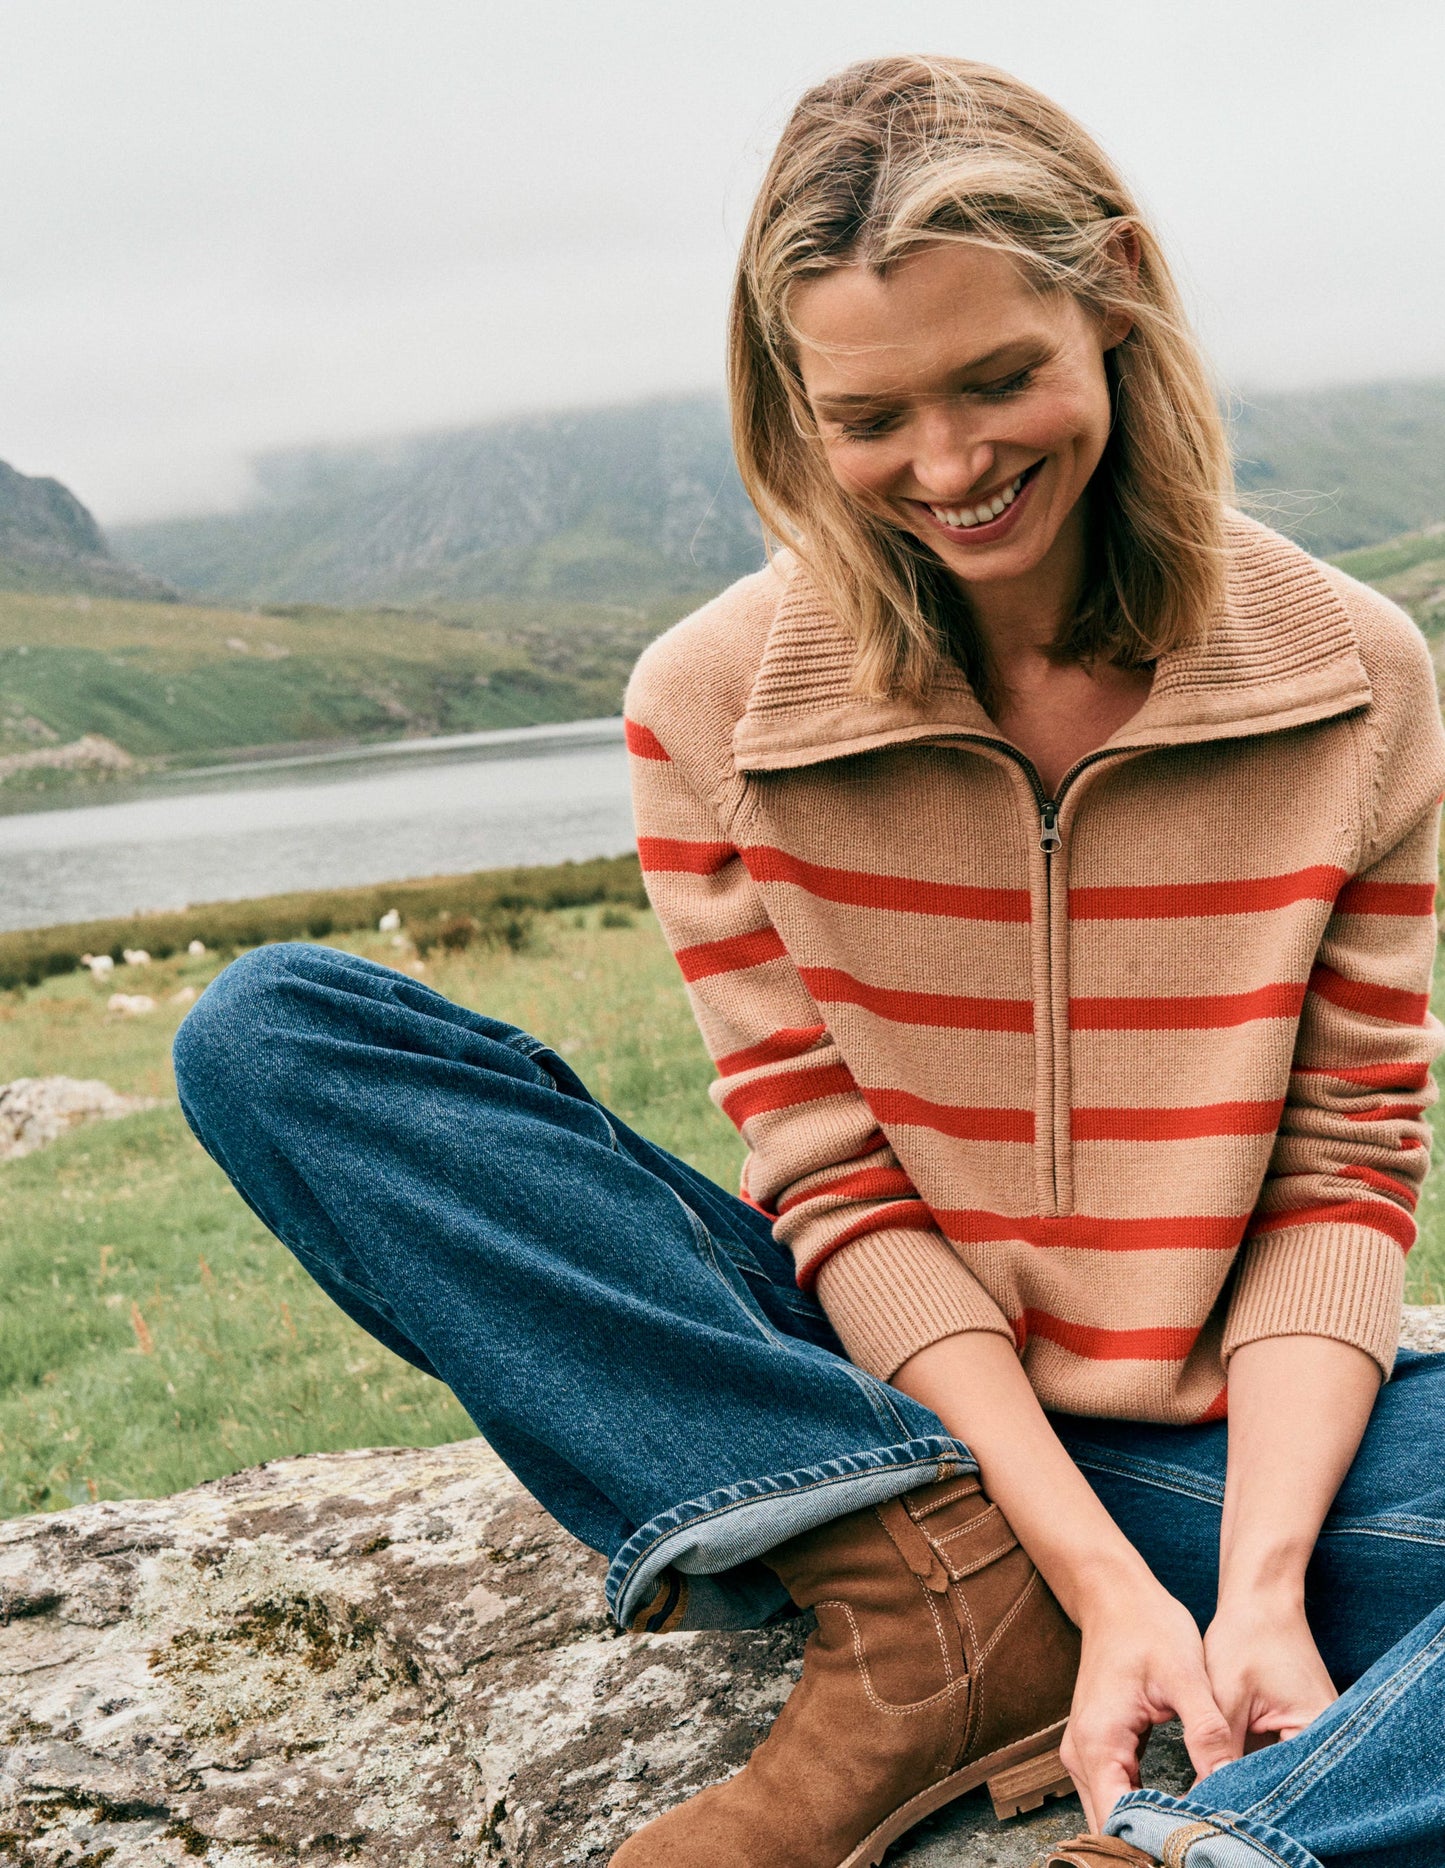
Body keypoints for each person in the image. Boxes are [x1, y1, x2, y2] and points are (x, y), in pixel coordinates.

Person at [171, 54, 1445, 1868]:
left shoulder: (1356, 679)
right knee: (274, 1033)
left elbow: (1339, 1172)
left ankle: (1229, 1839)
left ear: (1111, 302)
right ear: (789, 403)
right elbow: (833, 1183)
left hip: (1235, 1455)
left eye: (996, 379)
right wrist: (1081, 1578)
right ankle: (938, 1604)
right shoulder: (711, 704)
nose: (948, 467)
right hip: (854, 1414)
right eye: (867, 415)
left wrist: (1252, 1591)